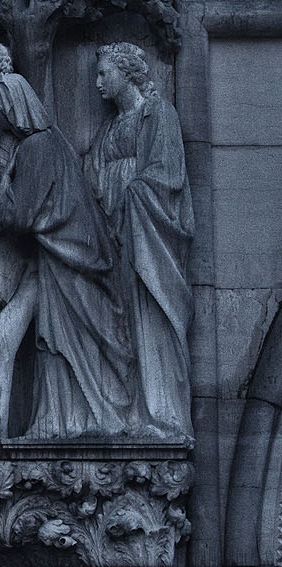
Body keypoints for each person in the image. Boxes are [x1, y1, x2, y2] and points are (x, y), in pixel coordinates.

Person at [0, 56, 129, 442]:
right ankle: (59, 420)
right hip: (57, 258)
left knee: (75, 340)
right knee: (54, 340)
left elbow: (20, 216)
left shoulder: (38, 146)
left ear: (12, 107)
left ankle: (91, 417)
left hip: (72, 258)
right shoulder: (44, 144)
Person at [87, 41, 193, 439]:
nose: (97, 82)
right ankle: (132, 407)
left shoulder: (157, 114)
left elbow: (167, 174)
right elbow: (93, 175)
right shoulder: (109, 128)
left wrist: (132, 193)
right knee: (123, 321)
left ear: (127, 73)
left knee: (150, 313)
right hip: (115, 235)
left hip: (147, 235)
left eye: (103, 73)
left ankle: (160, 412)